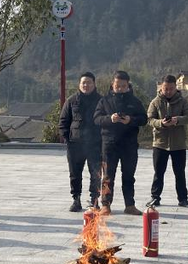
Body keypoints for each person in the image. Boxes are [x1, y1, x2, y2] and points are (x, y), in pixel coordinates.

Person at [93, 70, 148, 216]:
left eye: (123, 86)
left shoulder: (135, 101)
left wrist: (131, 120)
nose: (120, 88)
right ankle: (105, 204)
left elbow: (144, 119)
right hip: (109, 145)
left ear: (128, 86)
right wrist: (110, 119)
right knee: (108, 176)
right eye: (118, 85)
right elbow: (97, 119)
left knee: (129, 175)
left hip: (129, 144)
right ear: (113, 84)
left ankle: (130, 205)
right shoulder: (104, 101)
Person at [147, 75, 188, 208]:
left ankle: (183, 199)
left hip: (178, 144)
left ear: (176, 88)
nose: (168, 91)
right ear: (161, 87)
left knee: (180, 173)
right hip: (160, 143)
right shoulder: (155, 102)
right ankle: (155, 198)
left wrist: (177, 120)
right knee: (158, 172)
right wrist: (161, 123)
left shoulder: (183, 101)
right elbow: (150, 119)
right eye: (165, 88)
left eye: (171, 89)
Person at [59, 72, 102, 211]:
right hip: (75, 144)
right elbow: (63, 121)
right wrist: (67, 137)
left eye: (89, 82)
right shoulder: (71, 101)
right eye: (83, 82)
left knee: (96, 173)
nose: (86, 85)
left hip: (95, 145)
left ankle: (94, 200)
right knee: (75, 173)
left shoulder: (101, 101)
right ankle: (76, 199)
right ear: (79, 84)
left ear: (94, 84)